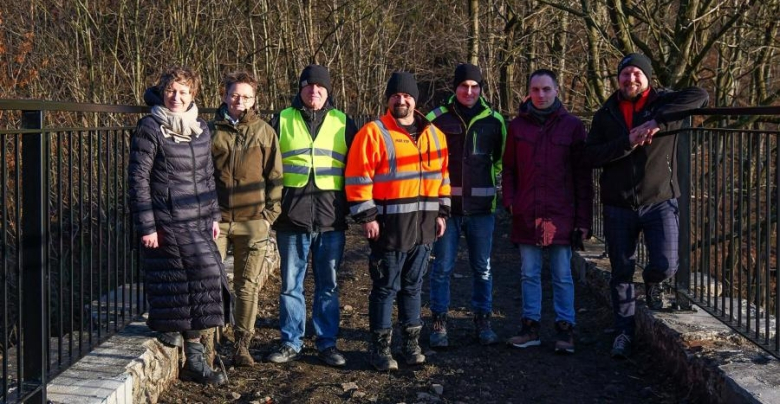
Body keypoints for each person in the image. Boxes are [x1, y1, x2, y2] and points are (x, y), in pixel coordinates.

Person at [584, 53, 708, 358]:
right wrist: (629, 140)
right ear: (618, 80)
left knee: (667, 263)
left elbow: (701, 95)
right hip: (618, 203)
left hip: (660, 199)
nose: (630, 79)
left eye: (637, 73)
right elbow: (590, 156)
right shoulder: (606, 114)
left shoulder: (664, 102)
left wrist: (656, 120)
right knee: (621, 270)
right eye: (625, 74)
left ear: (648, 77)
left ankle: (653, 283)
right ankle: (623, 333)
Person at [128, 66, 228, 385]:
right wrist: (147, 225)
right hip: (165, 219)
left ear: (193, 95)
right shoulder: (150, 127)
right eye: (171, 90)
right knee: (184, 280)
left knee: (201, 281)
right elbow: (138, 179)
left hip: (198, 220)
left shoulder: (200, 127)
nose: (177, 97)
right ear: (162, 92)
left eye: (184, 91)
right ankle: (188, 351)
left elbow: (207, 176)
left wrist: (214, 216)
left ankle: (189, 351)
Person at [345, 71, 451, 371]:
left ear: (415, 99)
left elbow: (443, 178)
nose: (401, 100)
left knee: (414, 287)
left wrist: (442, 213)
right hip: (389, 227)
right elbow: (357, 178)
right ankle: (380, 349)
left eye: (406, 95)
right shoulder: (373, 133)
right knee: (385, 287)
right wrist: (366, 216)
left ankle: (410, 345)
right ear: (388, 98)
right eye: (395, 95)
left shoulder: (435, 135)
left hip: (424, 226)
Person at [265, 64, 358, 367]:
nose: (313, 91)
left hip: (331, 219)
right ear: (300, 89)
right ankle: (291, 342)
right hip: (291, 218)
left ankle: (327, 343)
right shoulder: (282, 120)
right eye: (308, 86)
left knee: (328, 285)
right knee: (291, 285)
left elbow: (358, 170)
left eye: (319, 87)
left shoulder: (344, 122)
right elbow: (265, 167)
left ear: (328, 90)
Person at [502, 69, 592, 354]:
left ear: (556, 91)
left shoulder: (572, 126)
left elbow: (582, 177)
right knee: (529, 273)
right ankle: (530, 327)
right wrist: (510, 202)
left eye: (546, 89)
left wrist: (583, 219)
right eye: (536, 90)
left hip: (560, 214)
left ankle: (566, 329)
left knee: (562, 274)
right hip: (527, 212)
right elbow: (508, 169)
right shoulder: (517, 127)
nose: (541, 95)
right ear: (528, 92)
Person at [425, 63, 506, 347]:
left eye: (474, 87)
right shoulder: (435, 118)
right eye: (463, 86)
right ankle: (439, 321)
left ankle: (483, 319)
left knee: (482, 267)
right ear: (455, 88)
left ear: (481, 89)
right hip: (446, 210)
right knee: (442, 267)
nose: (469, 91)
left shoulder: (494, 120)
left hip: (482, 209)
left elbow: (499, 159)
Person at [210, 71, 284, 367]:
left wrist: (269, 216)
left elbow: (275, 177)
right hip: (217, 221)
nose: (239, 101)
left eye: (246, 96)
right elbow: (199, 176)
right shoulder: (210, 131)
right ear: (225, 95)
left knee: (247, 285)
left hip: (253, 221)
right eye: (234, 95)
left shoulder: (265, 132)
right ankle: (209, 343)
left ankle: (242, 345)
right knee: (210, 283)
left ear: (255, 99)